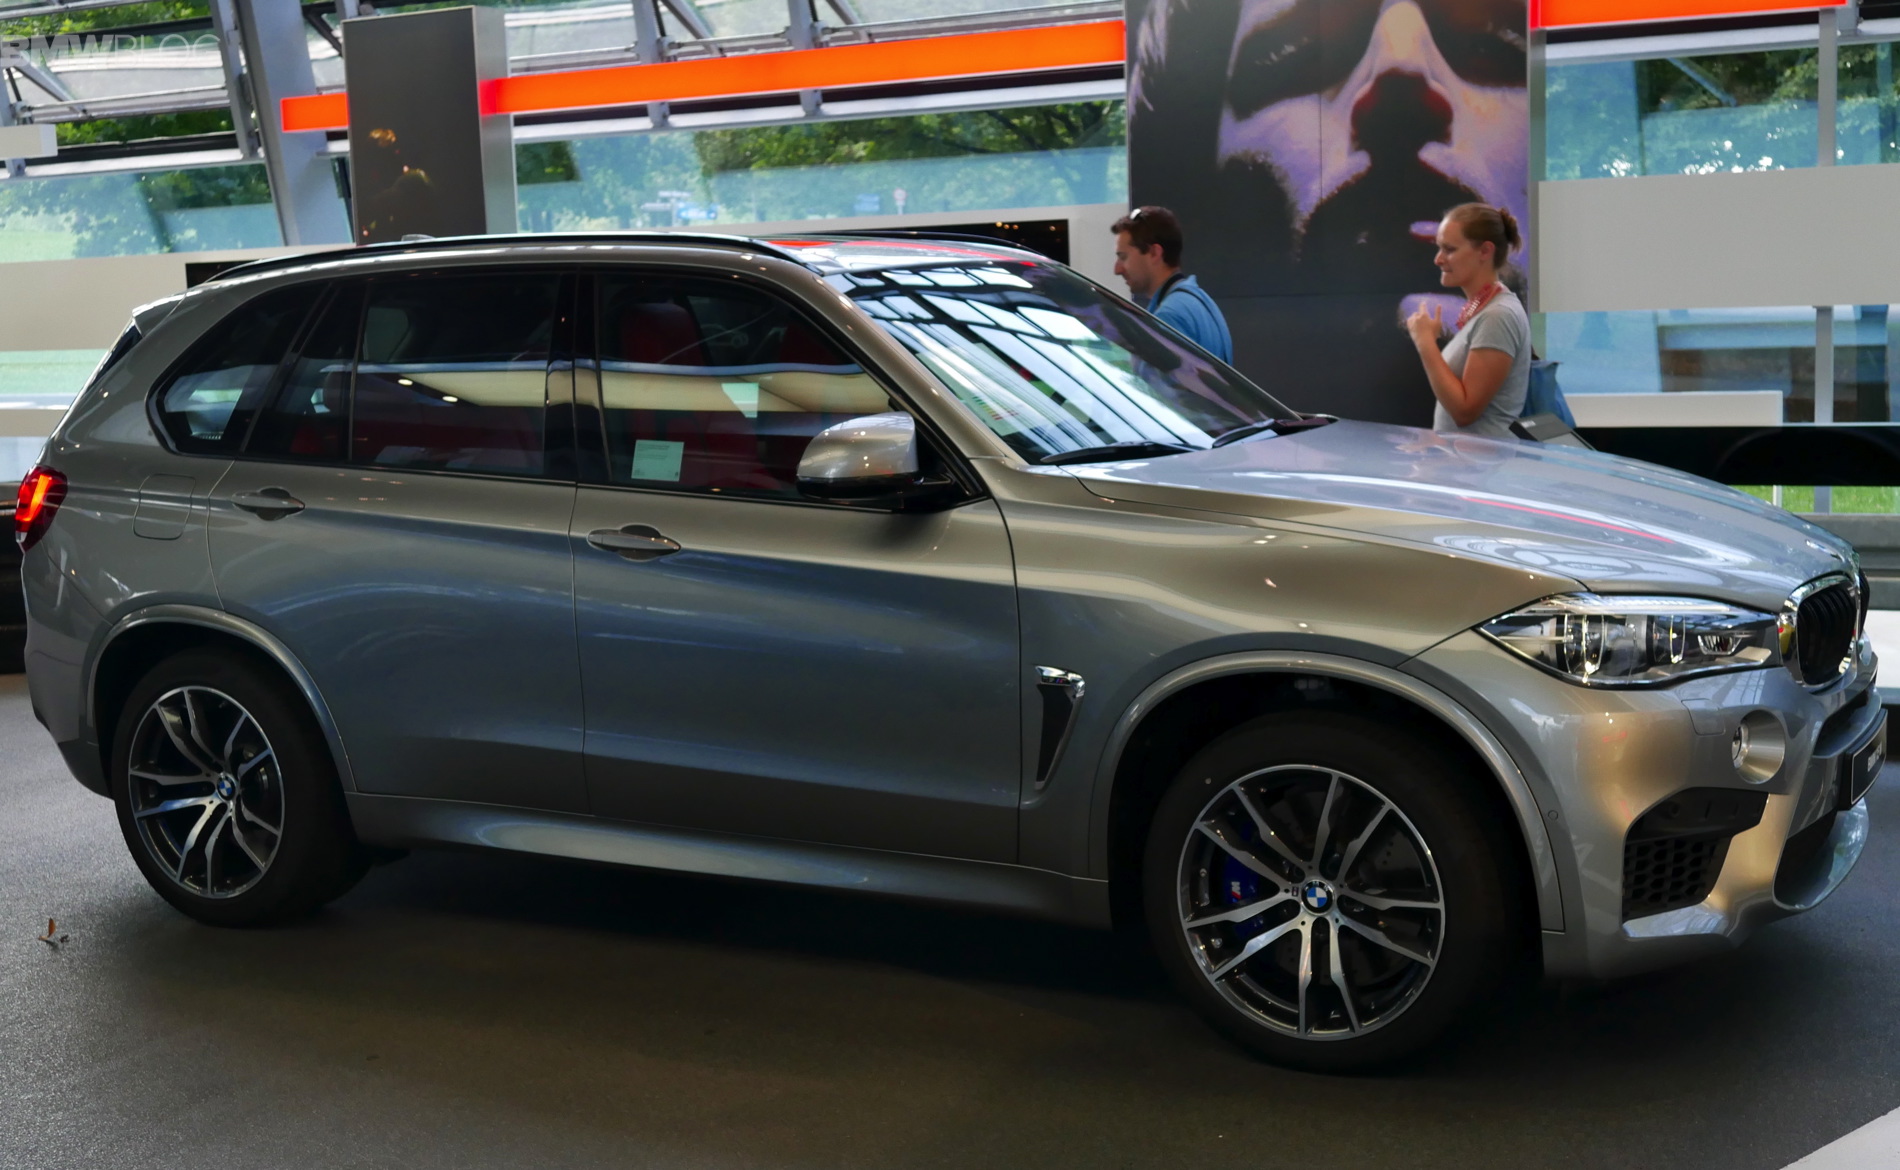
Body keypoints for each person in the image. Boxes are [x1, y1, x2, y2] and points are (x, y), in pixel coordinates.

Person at [1405, 203, 1531, 439]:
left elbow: (1464, 412)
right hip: (1467, 459)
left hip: (1483, 460)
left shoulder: (1497, 316)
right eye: (1439, 248)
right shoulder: (1486, 311)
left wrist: (1425, 343)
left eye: (1449, 249)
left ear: (1485, 251)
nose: (1438, 259)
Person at [1111, 206, 1235, 364]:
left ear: (1154, 253)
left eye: (1123, 257)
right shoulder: (1200, 301)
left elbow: (1159, 380)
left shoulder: (1169, 316)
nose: (1117, 269)